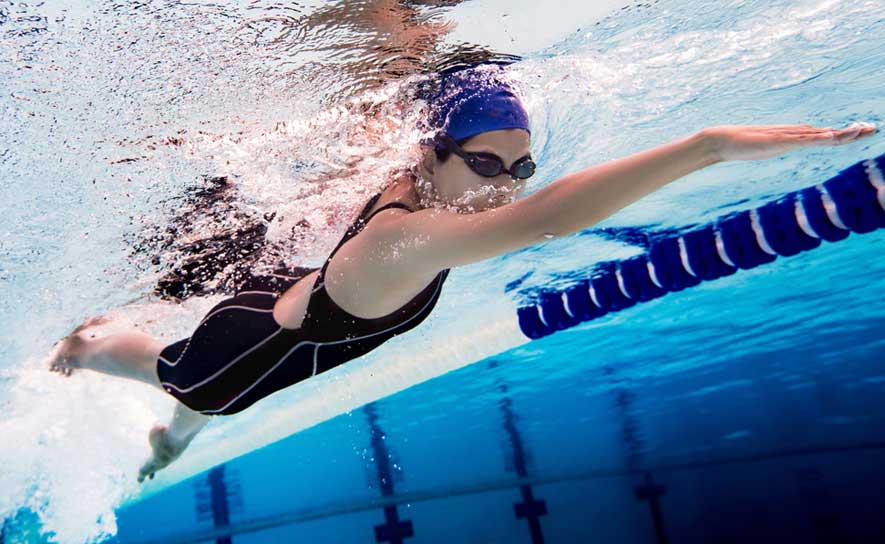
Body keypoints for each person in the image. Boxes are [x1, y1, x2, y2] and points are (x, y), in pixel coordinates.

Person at [43, 64, 877, 482]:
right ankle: (80, 351)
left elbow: (504, 182)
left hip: (284, 306)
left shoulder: (419, 187)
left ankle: (165, 435)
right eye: (486, 165)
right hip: (234, 359)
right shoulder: (407, 242)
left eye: (518, 169)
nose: (503, 188)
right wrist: (708, 146)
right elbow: (548, 216)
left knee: (197, 407)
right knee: (176, 382)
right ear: (436, 155)